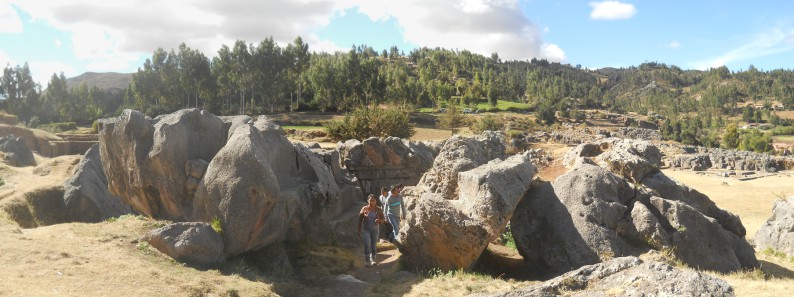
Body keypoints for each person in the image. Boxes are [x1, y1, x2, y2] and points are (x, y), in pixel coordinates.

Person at [357, 194, 385, 266]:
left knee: (373, 245)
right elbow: (360, 220)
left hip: (375, 230)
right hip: (366, 229)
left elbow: (383, 219)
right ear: (368, 201)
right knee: (367, 243)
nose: (372, 202)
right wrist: (359, 230)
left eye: (373, 201)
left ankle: (373, 260)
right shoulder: (364, 209)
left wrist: (379, 220)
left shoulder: (379, 209)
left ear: (376, 201)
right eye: (370, 201)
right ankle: (367, 261)